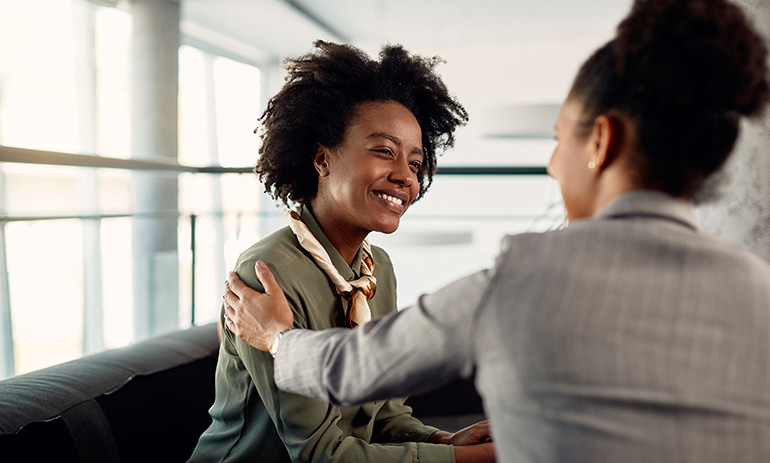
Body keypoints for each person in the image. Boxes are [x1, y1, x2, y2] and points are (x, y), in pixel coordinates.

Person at [221, 0, 770, 462]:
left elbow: (353, 369)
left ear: (600, 142)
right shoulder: (757, 287)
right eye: (385, 153)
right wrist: (450, 444)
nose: (555, 164)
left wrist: (275, 338)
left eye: (561, 139)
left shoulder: (524, 278)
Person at [188, 41, 497, 463]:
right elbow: (320, 454)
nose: (405, 176)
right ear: (321, 159)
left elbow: (384, 414)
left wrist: (444, 442)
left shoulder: (376, 271)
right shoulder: (268, 273)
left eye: (415, 161)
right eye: (385, 151)